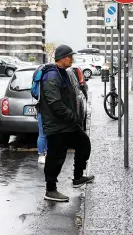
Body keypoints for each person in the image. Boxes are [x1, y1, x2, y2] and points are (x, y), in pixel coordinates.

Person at [39, 45, 94, 202]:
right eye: (70, 56)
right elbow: (55, 103)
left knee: (83, 143)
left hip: (67, 123)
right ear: (62, 58)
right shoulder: (51, 76)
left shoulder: (64, 73)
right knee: (56, 157)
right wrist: (71, 116)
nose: (72, 59)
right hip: (57, 125)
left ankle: (78, 177)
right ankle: (50, 190)